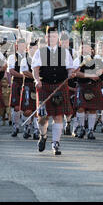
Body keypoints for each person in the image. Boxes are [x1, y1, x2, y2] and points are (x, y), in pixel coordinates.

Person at [32, 26, 75, 155]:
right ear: (46, 38)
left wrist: (71, 74)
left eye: (55, 36)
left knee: (58, 116)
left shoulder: (65, 52)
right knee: (43, 117)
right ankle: (43, 135)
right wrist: (36, 80)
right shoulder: (40, 52)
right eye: (50, 36)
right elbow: (35, 69)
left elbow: (70, 69)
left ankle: (56, 143)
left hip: (60, 86)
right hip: (44, 86)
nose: (53, 39)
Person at [19, 40, 40, 140]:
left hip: (38, 86)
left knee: (37, 110)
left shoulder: (41, 59)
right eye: (31, 48)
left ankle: (36, 130)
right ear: (28, 49)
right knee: (27, 110)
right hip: (28, 85)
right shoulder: (24, 59)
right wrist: (37, 78)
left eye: (35, 48)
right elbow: (25, 72)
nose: (33, 50)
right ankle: (27, 127)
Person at [8, 38, 28, 137]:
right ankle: (16, 126)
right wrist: (24, 75)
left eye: (23, 45)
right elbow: (11, 71)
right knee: (16, 107)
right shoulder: (12, 57)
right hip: (17, 82)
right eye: (19, 45)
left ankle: (26, 127)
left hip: (28, 83)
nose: (21, 47)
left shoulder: (29, 57)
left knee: (27, 106)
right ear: (16, 46)